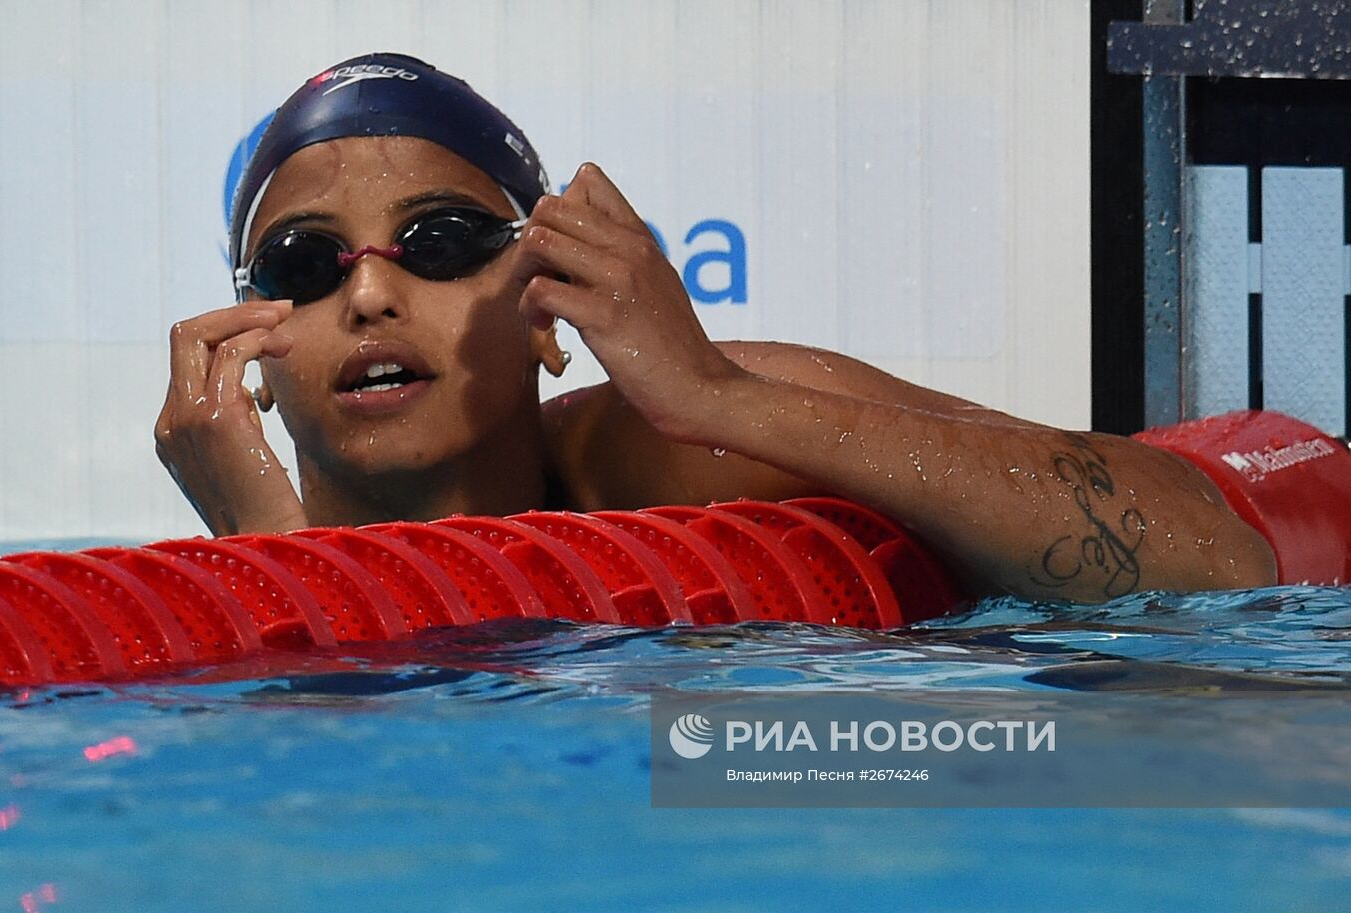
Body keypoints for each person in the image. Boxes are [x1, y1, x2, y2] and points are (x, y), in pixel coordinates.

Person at [155, 52, 1277, 605]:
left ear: (547, 317)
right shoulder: (203, 578)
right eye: (302, 264)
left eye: (441, 241)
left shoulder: (683, 440)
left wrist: (715, 396)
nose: (367, 296)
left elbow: (1214, 557)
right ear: (251, 355)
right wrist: (263, 553)